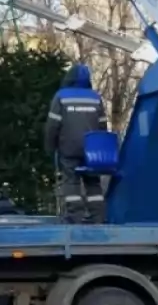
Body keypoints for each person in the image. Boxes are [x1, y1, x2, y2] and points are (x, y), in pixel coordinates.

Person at [44, 63, 108, 223]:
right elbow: (102, 125)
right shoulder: (95, 97)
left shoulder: (61, 97)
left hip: (69, 148)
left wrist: (50, 148)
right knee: (93, 182)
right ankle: (98, 216)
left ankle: (75, 216)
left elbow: (52, 126)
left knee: (71, 181)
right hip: (92, 149)